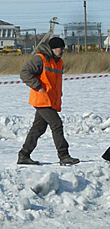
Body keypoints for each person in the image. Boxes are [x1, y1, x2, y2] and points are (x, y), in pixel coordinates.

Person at [17, 37, 80, 166]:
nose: (62, 51)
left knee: (38, 129)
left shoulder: (59, 62)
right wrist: (38, 86)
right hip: (41, 99)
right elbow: (24, 73)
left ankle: (24, 155)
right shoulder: (40, 59)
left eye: (63, 48)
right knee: (56, 124)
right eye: (60, 48)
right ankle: (64, 155)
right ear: (52, 48)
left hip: (50, 100)